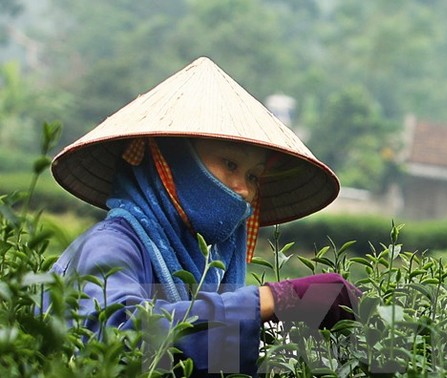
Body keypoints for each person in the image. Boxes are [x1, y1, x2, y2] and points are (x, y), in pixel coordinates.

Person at [46, 57, 361, 376]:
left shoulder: (206, 266)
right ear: (169, 161)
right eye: (230, 165)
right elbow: (117, 338)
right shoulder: (111, 247)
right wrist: (274, 300)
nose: (243, 191)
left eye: (253, 177)